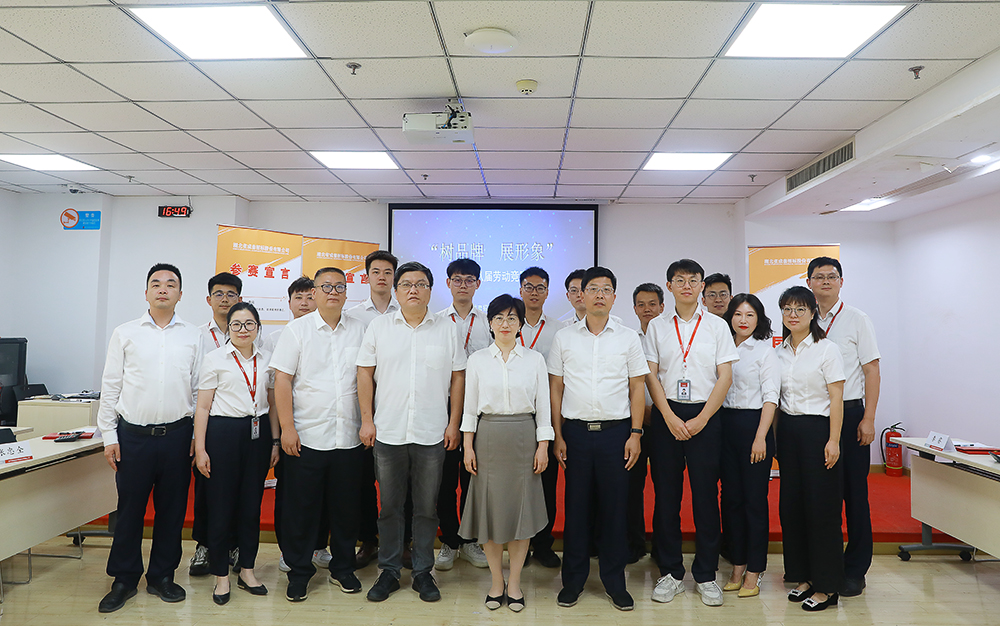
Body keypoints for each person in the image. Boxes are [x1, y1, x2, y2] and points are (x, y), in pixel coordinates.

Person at [358, 261, 466, 603]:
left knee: (426, 507)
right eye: (406, 284)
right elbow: (364, 373)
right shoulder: (379, 327)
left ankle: (422, 572)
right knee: (389, 507)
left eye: (421, 284)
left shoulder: (447, 329)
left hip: (431, 433)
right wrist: (367, 420)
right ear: (396, 290)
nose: (413, 290)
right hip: (388, 431)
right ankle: (389, 571)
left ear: (431, 291)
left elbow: (458, 377)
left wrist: (453, 423)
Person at [97, 264, 203, 613]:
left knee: (172, 510)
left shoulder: (193, 335)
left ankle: (162, 577)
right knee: (130, 510)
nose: (163, 289)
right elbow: (111, 385)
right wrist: (109, 435)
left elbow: (200, 389)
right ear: (146, 293)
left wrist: (196, 436)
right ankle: (124, 579)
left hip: (178, 437)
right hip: (133, 437)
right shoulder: (125, 333)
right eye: (156, 284)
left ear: (180, 295)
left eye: (170, 284)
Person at [550, 266, 648, 612]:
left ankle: (614, 582)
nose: (599, 295)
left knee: (615, 510)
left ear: (614, 297)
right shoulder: (564, 337)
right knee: (576, 509)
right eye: (593, 289)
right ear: (582, 294)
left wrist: (635, 433)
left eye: (606, 289)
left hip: (616, 434)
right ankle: (573, 581)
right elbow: (556, 387)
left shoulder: (627, 337)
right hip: (575, 434)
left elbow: (637, 387)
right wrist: (557, 435)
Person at [269, 267, 368, 602]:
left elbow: (367, 377)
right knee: (302, 510)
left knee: (346, 509)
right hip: (307, 435)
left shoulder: (360, 329)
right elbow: (282, 380)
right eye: (326, 286)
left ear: (347, 292)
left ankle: (343, 569)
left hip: (348, 436)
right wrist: (287, 428)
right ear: (314, 292)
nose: (333, 292)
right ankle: (299, 572)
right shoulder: (297, 330)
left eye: (340, 286)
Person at [644, 259, 738, 607]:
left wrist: (702, 419)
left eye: (693, 280)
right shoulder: (657, 326)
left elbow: (725, 376)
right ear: (669, 286)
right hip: (667, 415)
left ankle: (706, 574)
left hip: (706, 415)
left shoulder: (716, 326)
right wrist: (668, 416)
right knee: (666, 497)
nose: (687, 285)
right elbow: (650, 375)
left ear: (701, 286)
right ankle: (670, 572)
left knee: (705, 497)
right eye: (680, 280)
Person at [459, 294, 554, 612]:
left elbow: (543, 407)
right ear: (490, 323)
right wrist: (468, 445)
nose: (505, 323)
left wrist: (543, 445)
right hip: (487, 439)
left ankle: (514, 583)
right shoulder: (478, 360)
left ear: (520, 324)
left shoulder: (534, 360)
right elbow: (469, 407)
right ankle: (496, 582)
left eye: (512, 318)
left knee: (520, 515)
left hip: (524, 438)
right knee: (490, 514)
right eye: (498, 317)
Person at [193, 302, 279, 605]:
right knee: (221, 507)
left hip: (258, 434)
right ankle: (221, 576)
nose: (243, 330)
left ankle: (247, 571)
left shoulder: (267, 359)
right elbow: (202, 407)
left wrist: (275, 442)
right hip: (223, 435)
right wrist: (200, 448)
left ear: (258, 328)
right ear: (228, 329)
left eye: (249, 324)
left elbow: (272, 403)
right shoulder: (215, 359)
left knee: (251, 507)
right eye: (237, 324)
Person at [806, 256, 880, 597]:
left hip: (850, 415)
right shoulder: (803, 318)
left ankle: (856, 569)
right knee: (824, 496)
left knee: (855, 494)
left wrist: (869, 418)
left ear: (841, 281)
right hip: (816, 416)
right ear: (809, 282)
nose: (825, 281)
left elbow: (871, 370)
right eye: (819, 276)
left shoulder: (857, 319)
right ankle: (828, 564)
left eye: (831, 276)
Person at [776, 286, 846, 612]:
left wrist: (833, 440)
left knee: (822, 509)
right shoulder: (779, 351)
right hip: (788, 432)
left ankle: (827, 586)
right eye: (787, 309)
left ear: (812, 313)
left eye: (800, 309)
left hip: (819, 432)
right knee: (792, 508)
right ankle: (803, 576)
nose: (793, 315)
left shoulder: (826, 349)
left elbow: (836, 398)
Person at [262, 276, 326, 574]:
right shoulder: (274, 339)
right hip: (287, 428)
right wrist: (278, 436)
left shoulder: (326, 334)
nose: (304, 303)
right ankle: (289, 550)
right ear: (288, 303)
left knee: (321, 493)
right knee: (289, 494)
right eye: (298, 298)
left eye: (309, 297)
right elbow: (271, 392)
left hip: (320, 429)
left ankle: (319, 546)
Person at [719, 294, 779, 598]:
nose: (743, 320)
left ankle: (755, 570)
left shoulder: (765, 351)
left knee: (754, 502)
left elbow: (771, 397)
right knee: (731, 501)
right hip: (724, 428)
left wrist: (760, 437)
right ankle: (737, 564)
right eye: (738, 314)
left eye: (750, 315)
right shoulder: (721, 345)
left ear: (759, 319)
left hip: (755, 428)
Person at [434, 258, 490, 571]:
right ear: (448, 283)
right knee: (444, 479)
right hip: (443, 407)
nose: (463, 285)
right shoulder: (437, 321)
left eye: (469, 280)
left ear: (478, 284)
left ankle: (470, 541)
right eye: (457, 279)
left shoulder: (488, 322)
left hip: (479, 409)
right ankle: (449, 541)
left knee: (473, 477)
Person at [345, 250, 400, 570]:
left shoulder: (407, 311)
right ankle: (368, 540)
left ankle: (401, 542)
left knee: (401, 482)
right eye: (376, 271)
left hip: (397, 406)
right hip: (363, 409)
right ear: (366, 276)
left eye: (388, 272)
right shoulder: (353, 316)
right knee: (364, 481)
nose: (382, 277)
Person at [190, 271, 244, 577]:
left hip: (235, 423)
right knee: (206, 487)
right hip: (205, 422)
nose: (225, 299)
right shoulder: (197, 336)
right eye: (219, 294)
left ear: (240, 298)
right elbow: (189, 382)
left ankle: (233, 545)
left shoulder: (250, 334)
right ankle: (205, 546)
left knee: (236, 489)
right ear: (209, 299)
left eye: (231, 294)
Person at [517, 266, 561, 569]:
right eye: (529, 287)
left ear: (547, 292)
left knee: (546, 483)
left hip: (547, 413)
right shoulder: (507, 324)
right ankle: (518, 544)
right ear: (520, 290)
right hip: (515, 414)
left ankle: (543, 544)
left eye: (540, 287)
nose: (534, 292)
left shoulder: (559, 330)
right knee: (517, 484)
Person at [628, 282, 664, 564]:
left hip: (665, 422)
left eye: (652, 304)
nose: (647, 309)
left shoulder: (670, 337)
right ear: (634, 309)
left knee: (665, 488)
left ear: (662, 307)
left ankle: (662, 548)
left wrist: (660, 411)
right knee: (631, 487)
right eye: (641, 304)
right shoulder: (628, 339)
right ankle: (633, 545)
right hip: (634, 424)